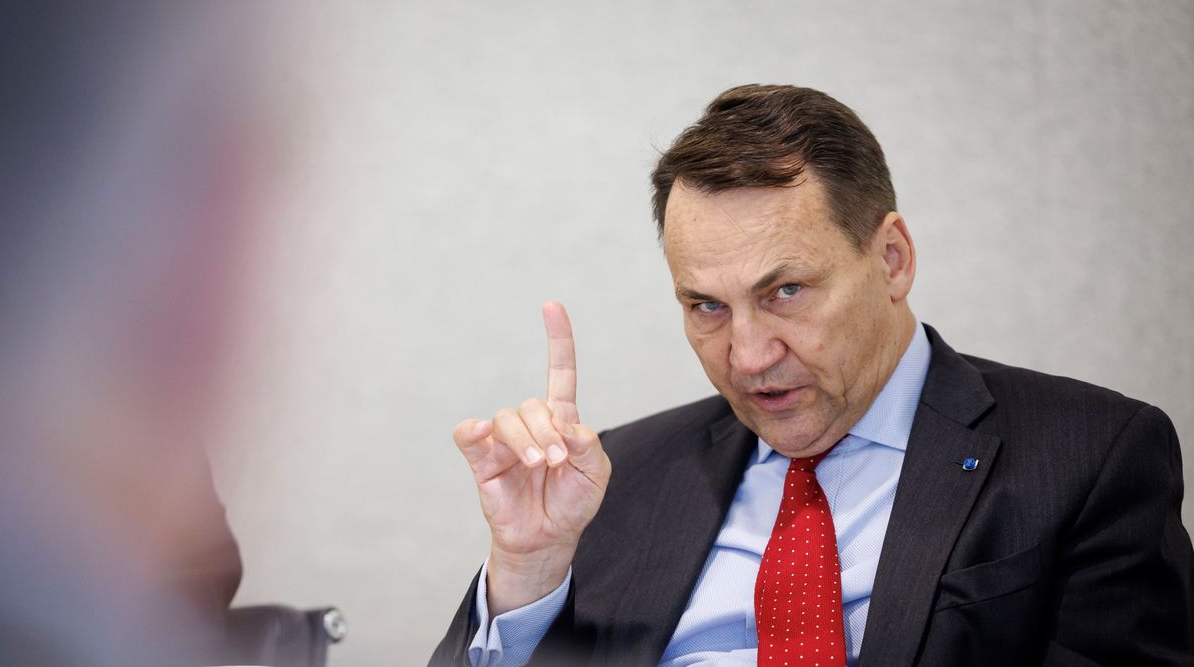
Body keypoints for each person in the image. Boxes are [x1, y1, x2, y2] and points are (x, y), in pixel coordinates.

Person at [430, 85, 1193, 666]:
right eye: (707, 306)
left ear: (891, 259)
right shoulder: (616, 475)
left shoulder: (1087, 453)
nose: (748, 355)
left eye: (785, 291)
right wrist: (528, 571)